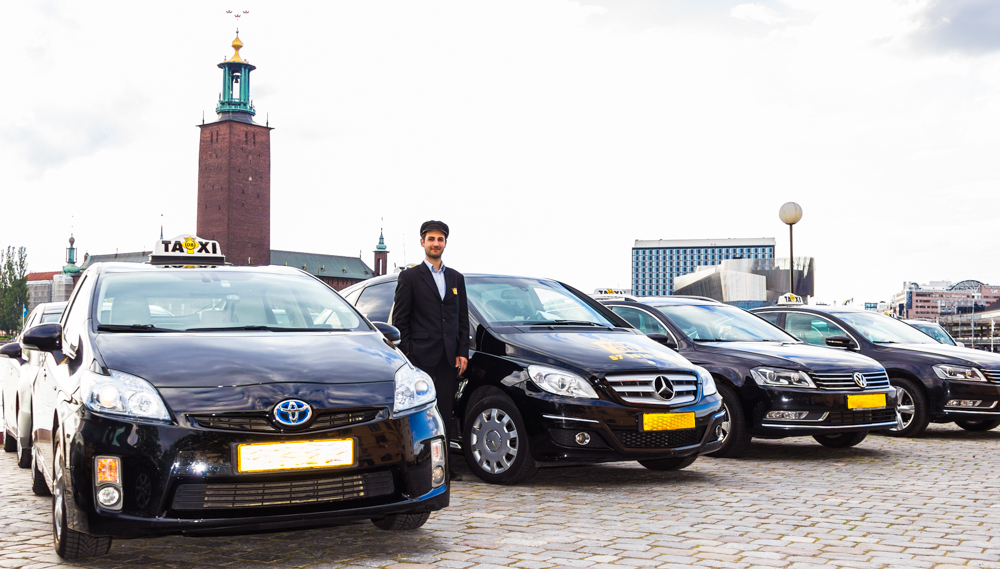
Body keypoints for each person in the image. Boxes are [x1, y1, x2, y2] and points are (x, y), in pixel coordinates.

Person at [393, 220, 469, 481]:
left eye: (440, 239)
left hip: (448, 357)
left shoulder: (456, 278)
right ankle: (419, 467)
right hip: (420, 357)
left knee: (445, 412)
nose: (436, 244)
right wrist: (408, 352)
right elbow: (400, 320)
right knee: (419, 414)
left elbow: (461, 319)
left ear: (445, 243)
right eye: (431, 239)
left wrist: (462, 352)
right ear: (422, 242)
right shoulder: (410, 277)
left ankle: (445, 467)